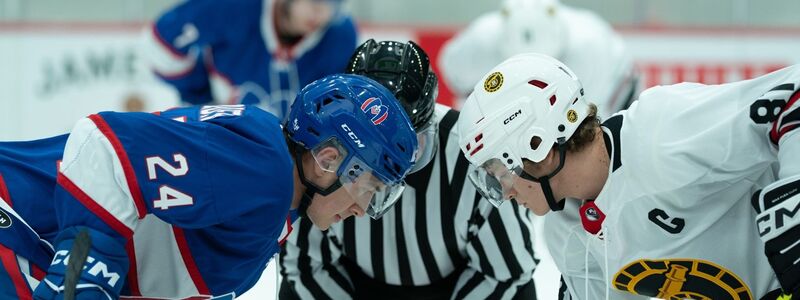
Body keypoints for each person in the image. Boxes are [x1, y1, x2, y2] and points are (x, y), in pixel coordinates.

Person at [0, 74, 419, 299]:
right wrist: (84, 275)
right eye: (368, 187)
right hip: (18, 225)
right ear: (328, 160)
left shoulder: (275, 203)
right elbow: (104, 146)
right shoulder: (265, 169)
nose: (362, 209)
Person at [456, 52, 800, 299]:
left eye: (499, 171)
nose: (505, 192)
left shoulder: (661, 130)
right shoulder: (566, 235)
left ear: (539, 147)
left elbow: (792, 97)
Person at [279, 40, 538, 299]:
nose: (397, 163)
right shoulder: (325, 163)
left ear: (430, 122)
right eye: (379, 148)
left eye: (410, 145)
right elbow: (305, 268)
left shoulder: (472, 151)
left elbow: (508, 272)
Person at [141, 0, 357, 120]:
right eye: (315, 1)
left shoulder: (340, 35)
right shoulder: (235, 8)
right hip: (222, 143)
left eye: (334, 3)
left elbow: (335, 110)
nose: (322, 13)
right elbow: (162, 44)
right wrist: (200, 97)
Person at [438, 0, 637, 118]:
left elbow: (591, 120)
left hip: (620, 87)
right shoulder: (479, 43)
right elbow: (459, 88)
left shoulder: (592, 48)